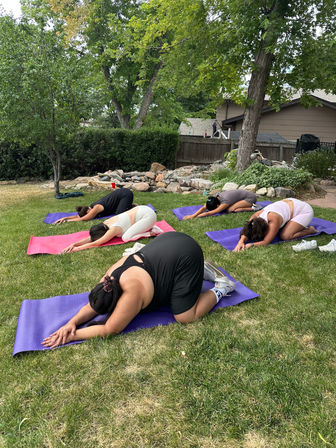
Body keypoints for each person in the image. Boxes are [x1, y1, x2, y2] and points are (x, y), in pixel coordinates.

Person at [42, 232, 236, 348]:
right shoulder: (108, 279)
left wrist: (72, 336)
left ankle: (221, 287)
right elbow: (92, 306)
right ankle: (198, 270)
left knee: (185, 316)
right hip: (168, 242)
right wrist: (71, 323)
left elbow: (109, 329)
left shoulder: (131, 295)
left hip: (186, 253)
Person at [61, 206, 158, 253]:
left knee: (126, 237)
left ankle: (149, 232)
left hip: (148, 216)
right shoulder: (106, 223)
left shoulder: (113, 229)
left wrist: (77, 249)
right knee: (127, 234)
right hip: (142, 209)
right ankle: (147, 228)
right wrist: (73, 244)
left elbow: (96, 243)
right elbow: (91, 238)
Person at [233, 198, 317, 252]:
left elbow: (266, 241)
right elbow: (248, 229)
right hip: (289, 203)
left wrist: (250, 245)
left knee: (285, 235)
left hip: (304, 210)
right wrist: (241, 241)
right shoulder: (255, 217)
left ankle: (310, 230)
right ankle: (289, 221)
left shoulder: (274, 220)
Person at [54, 188, 134, 224]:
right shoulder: (90, 208)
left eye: (89, 213)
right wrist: (65, 218)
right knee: (117, 212)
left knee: (119, 216)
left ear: (89, 209)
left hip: (125, 194)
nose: (91, 214)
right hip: (119, 199)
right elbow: (79, 216)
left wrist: (68, 221)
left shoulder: (96, 207)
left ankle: (133, 206)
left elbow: (85, 218)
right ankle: (130, 206)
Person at [183, 190, 258, 220]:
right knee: (228, 208)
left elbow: (211, 213)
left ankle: (254, 208)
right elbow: (204, 207)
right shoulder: (214, 198)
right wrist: (192, 215)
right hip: (241, 197)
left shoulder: (225, 201)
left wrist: (196, 217)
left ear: (218, 205)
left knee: (230, 210)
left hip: (250, 198)